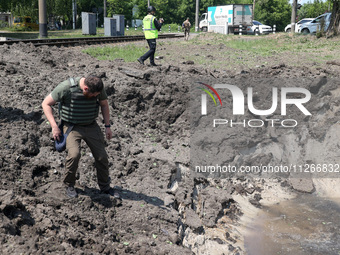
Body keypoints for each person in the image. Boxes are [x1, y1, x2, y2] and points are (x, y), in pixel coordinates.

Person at [42, 75, 120, 199]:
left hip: (91, 125)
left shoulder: (98, 88)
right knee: (74, 155)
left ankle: (105, 188)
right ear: (85, 89)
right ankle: (69, 184)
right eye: (93, 95)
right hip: (71, 127)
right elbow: (46, 104)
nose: (95, 97)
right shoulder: (66, 87)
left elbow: (104, 104)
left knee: (102, 157)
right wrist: (54, 126)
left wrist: (107, 126)